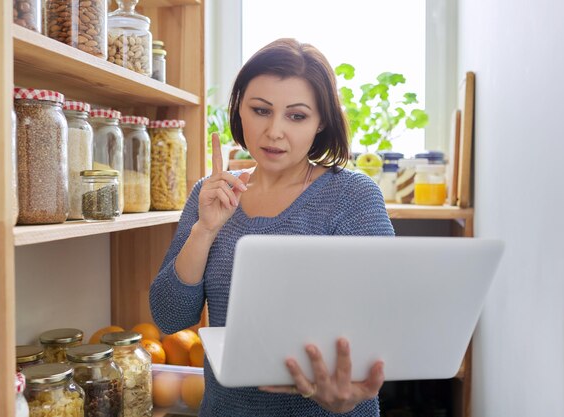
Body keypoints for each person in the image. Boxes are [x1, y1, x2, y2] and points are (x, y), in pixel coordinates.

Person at [149, 38, 395, 416]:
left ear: (321, 121)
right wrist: (205, 230)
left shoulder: (354, 196)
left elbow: (385, 324)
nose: (274, 131)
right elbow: (169, 317)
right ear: (240, 110)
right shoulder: (211, 193)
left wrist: (348, 397)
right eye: (261, 110)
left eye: (296, 116)